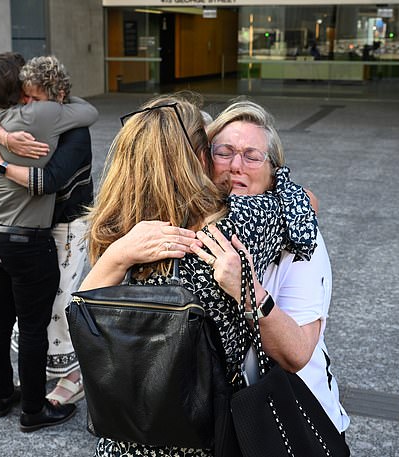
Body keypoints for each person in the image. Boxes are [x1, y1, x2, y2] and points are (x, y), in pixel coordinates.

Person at [83, 98, 350, 442]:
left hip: (143, 426)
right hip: (208, 428)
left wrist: (117, 255)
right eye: (223, 152)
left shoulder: (124, 223)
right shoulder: (233, 224)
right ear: (199, 159)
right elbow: (302, 202)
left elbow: (81, 313)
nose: (237, 165)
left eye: (252, 156)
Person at [0, 52, 96, 432]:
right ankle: (32, 410)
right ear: (24, 87)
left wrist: (0, 145)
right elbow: (88, 111)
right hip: (26, 241)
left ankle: (0, 396)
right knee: (31, 327)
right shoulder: (43, 115)